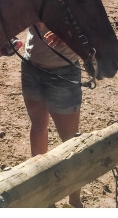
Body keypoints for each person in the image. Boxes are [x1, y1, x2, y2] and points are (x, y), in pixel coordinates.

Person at [21, 22, 84, 207]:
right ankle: (44, 195)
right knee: (38, 127)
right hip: (31, 66)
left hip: (63, 72)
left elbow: (93, 24)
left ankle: (75, 202)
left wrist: (69, 32)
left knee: (70, 140)